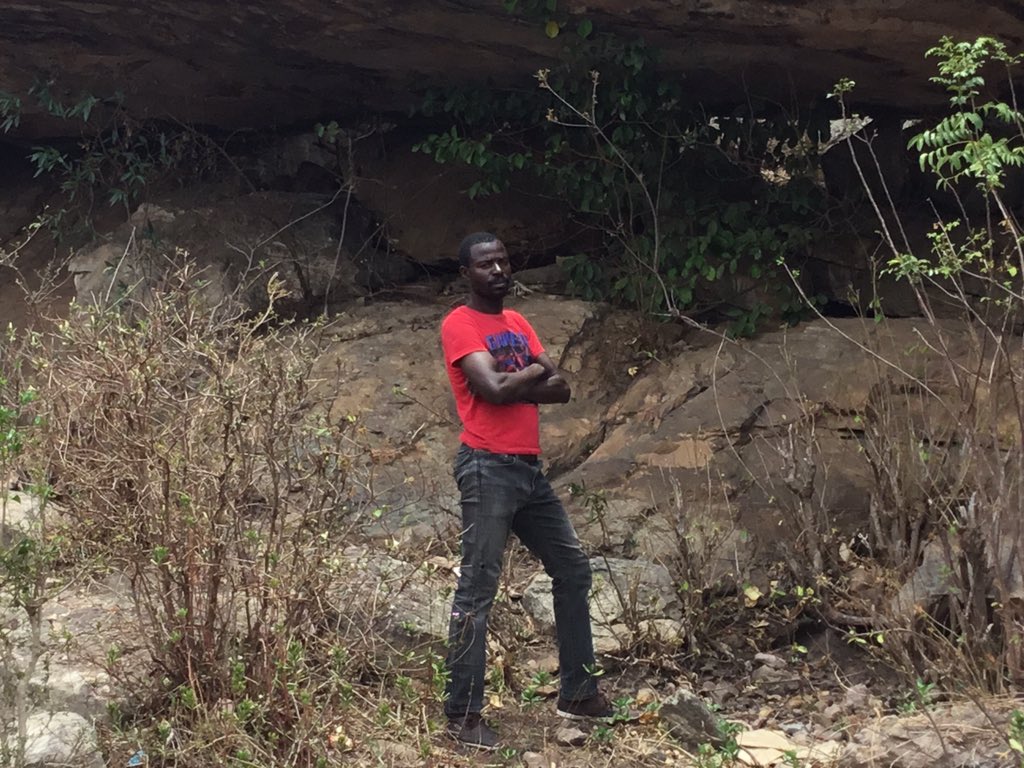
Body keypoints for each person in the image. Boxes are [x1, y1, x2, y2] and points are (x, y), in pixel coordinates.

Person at [440, 231, 613, 750]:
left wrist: (521, 377)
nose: (497, 270)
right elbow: (490, 390)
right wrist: (534, 370)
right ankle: (463, 716)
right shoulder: (459, 324)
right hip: (486, 467)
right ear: (466, 274)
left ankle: (578, 693)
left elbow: (563, 389)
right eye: (485, 264)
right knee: (478, 588)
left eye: (503, 262)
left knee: (573, 568)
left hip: (528, 472)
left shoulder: (516, 323)